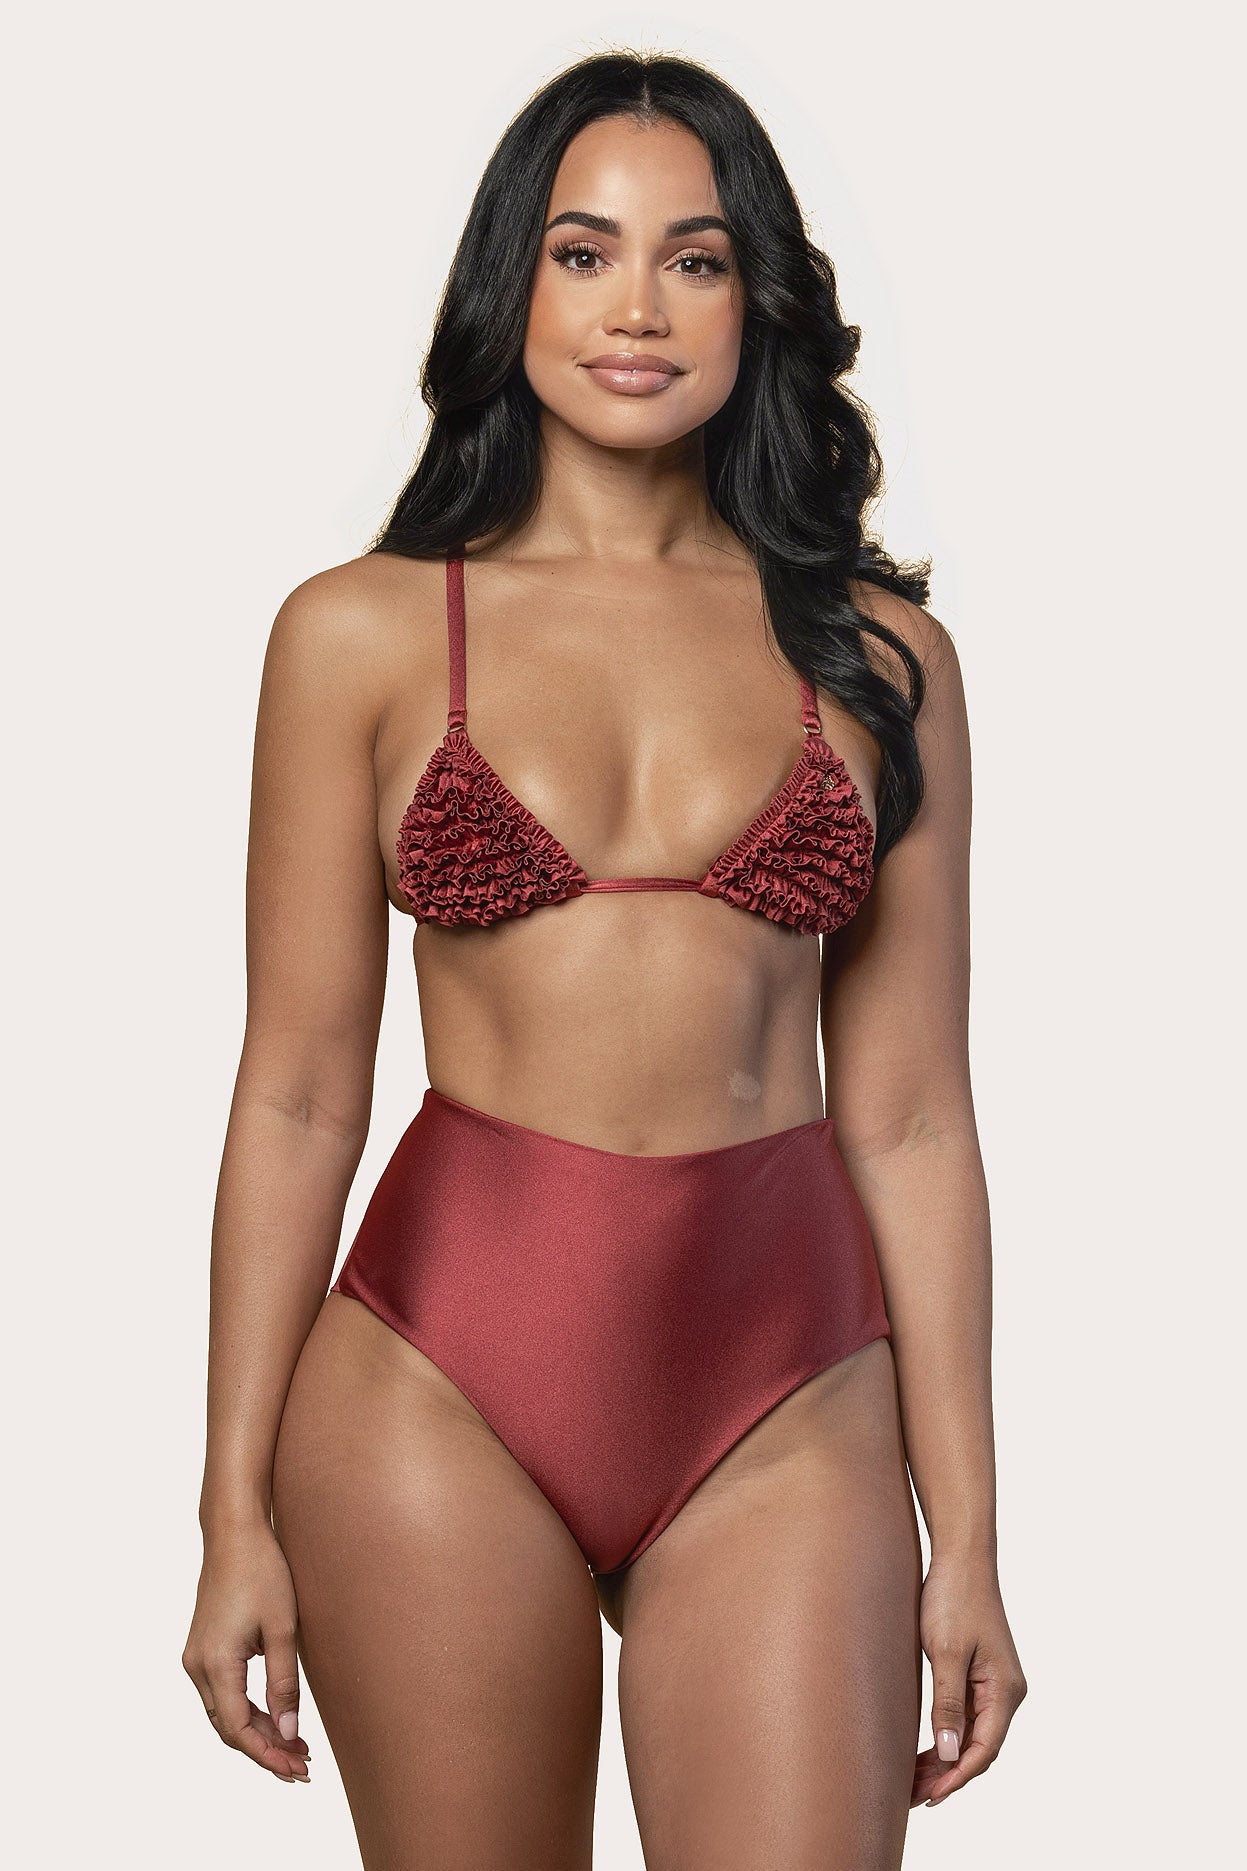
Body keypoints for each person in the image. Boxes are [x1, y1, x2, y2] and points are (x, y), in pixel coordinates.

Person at [182, 49, 1026, 1869]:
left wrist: (967, 1534)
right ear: (513, 283)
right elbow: (301, 1092)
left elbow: (911, 1121)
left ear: (756, 299)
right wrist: (228, 1505)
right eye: (584, 253)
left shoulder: (879, 659)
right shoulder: (360, 636)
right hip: (437, 1376)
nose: (637, 308)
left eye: (694, 259)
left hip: (788, 1383)